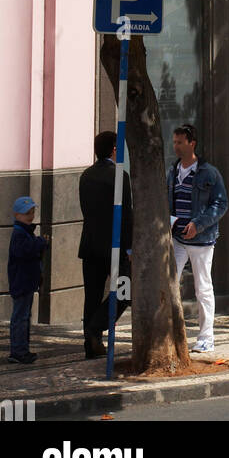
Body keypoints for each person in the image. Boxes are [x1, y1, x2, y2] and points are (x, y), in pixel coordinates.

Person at [166, 123, 228, 352]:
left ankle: (206, 338)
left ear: (192, 143)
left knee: (203, 287)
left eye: (180, 142)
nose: (176, 147)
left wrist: (198, 225)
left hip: (201, 241)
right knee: (170, 283)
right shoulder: (172, 171)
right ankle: (171, 335)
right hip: (177, 238)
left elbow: (221, 204)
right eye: (174, 142)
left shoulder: (208, 172)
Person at [78, 130, 133, 359]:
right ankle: (95, 328)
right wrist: (129, 248)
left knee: (91, 295)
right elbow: (126, 216)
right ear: (113, 149)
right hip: (115, 246)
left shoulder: (86, 175)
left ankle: (91, 344)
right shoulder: (121, 176)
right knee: (125, 290)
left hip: (90, 245)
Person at [8, 196, 48, 365]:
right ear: (17, 215)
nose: (30, 216)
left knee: (24, 316)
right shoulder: (19, 234)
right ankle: (18, 351)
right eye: (26, 214)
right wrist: (40, 242)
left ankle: (22, 349)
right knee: (20, 317)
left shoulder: (25, 232)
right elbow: (24, 252)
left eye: (32, 212)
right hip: (22, 282)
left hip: (27, 282)